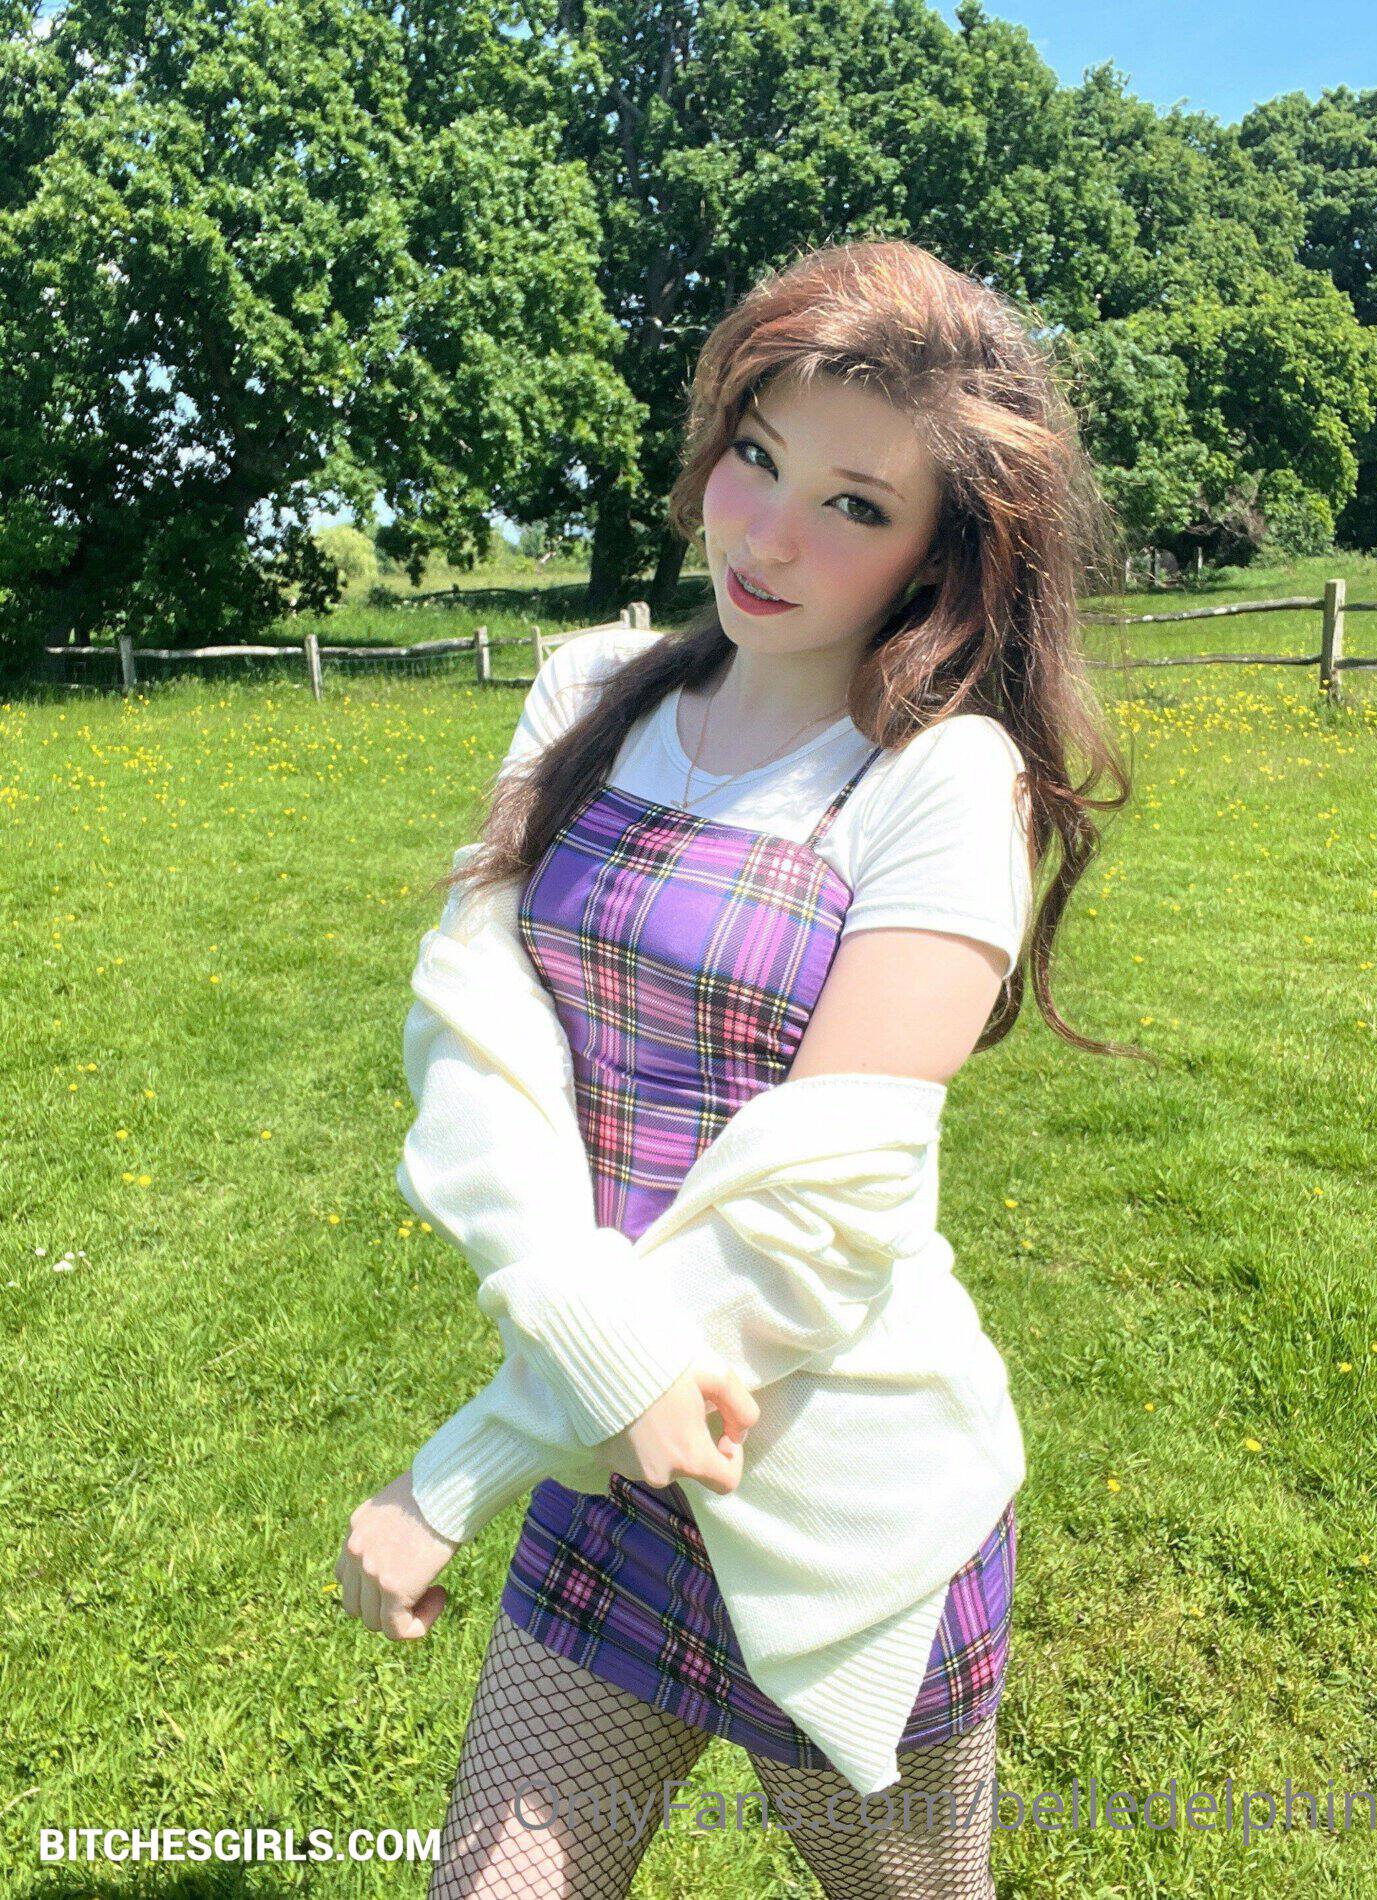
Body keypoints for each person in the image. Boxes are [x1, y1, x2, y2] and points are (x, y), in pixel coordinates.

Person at [335, 237, 1147, 1898]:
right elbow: (477, 1042)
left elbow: (819, 1210)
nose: (768, 534)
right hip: (604, 1457)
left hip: (847, 1515)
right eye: (755, 457)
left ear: (940, 551)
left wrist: (464, 1465)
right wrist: (594, 1367)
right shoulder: (584, 692)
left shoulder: (945, 782)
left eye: (854, 504)